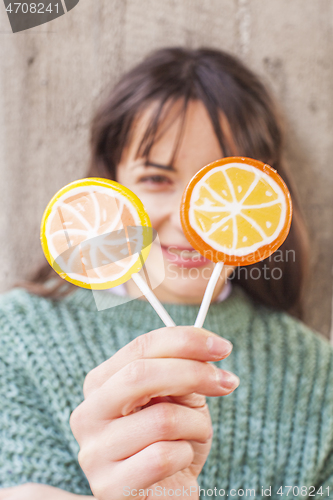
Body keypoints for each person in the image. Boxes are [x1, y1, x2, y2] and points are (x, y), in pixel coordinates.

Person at [0, 47, 332, 500]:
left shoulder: (318, 373)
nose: (188, 218)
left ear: (264, 199)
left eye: (223, 184)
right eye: (156, 178)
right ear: (112, 187)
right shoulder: (17, 336)